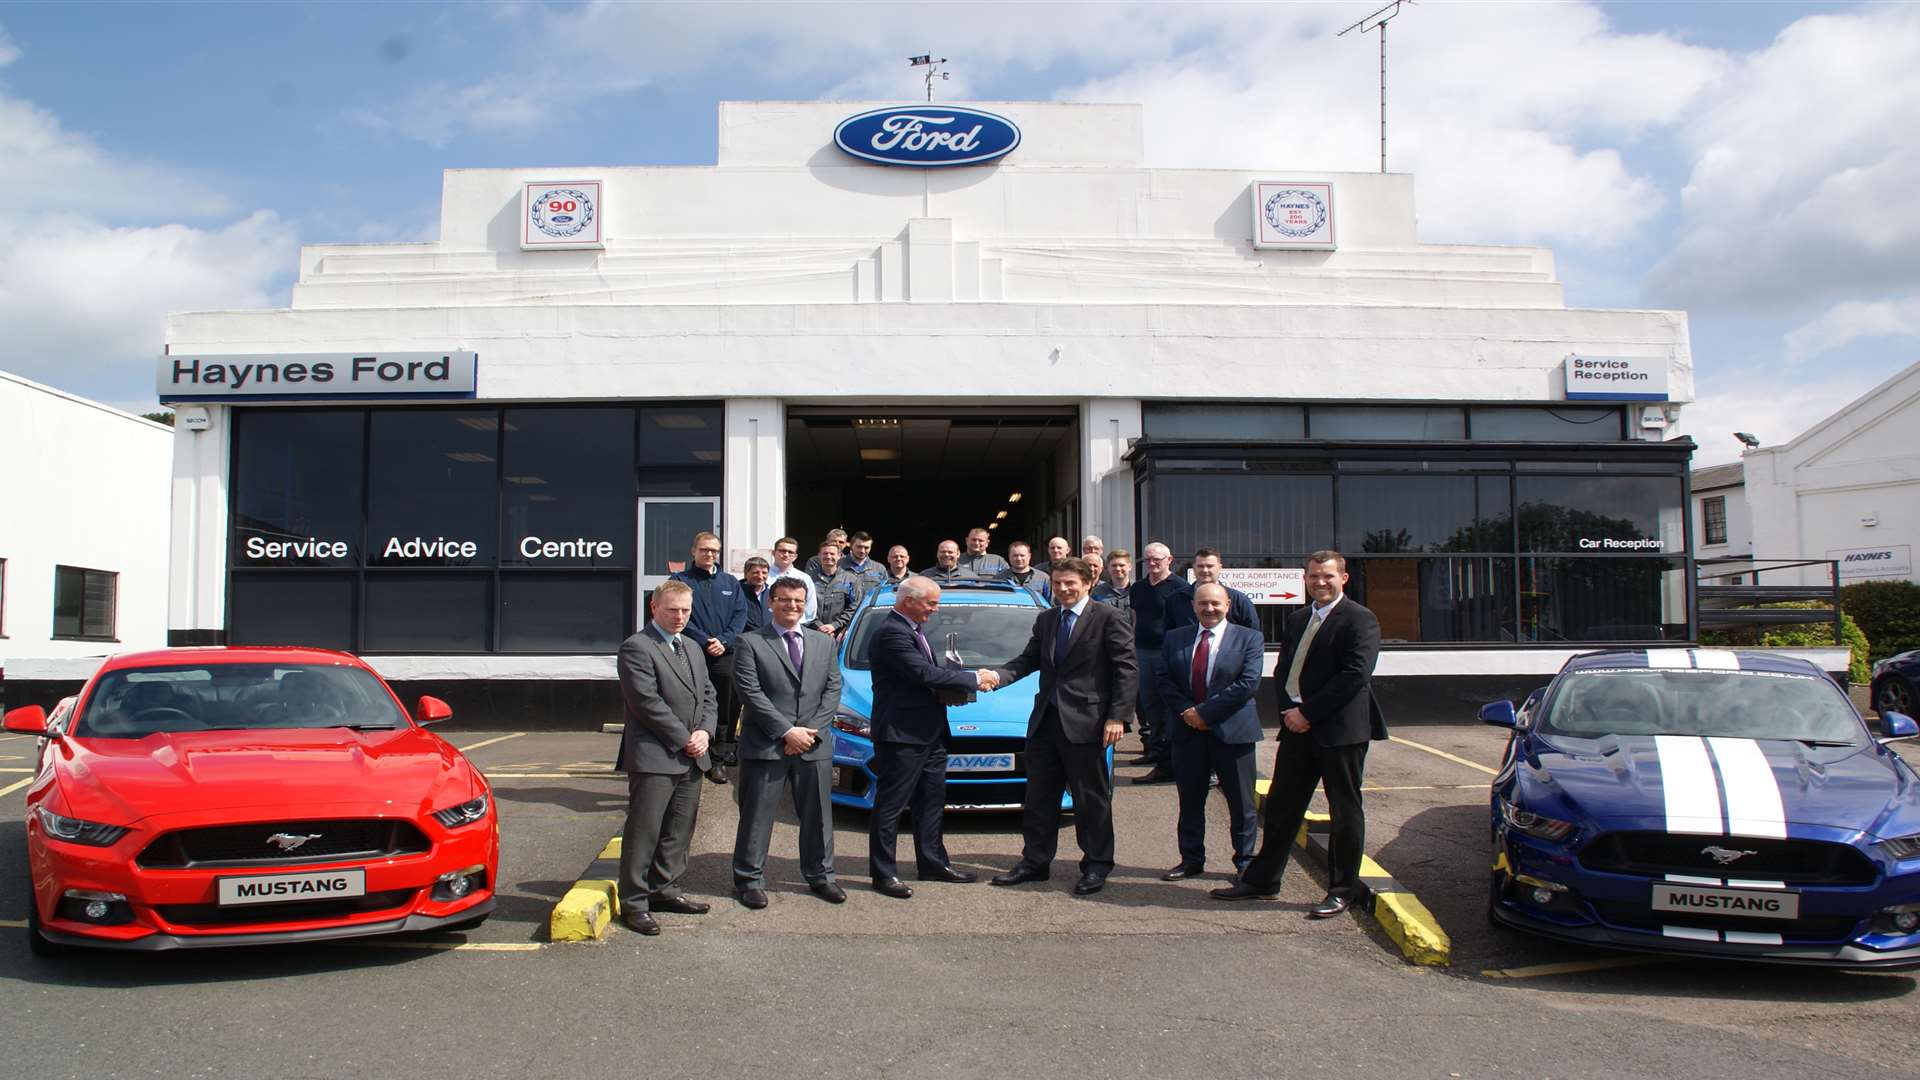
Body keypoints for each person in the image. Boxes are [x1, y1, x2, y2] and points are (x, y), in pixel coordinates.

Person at [1212, 551, 1387, 918]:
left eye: (1327, 576)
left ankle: (1341, 891)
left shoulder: (1360, 619)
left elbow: (1355, 675)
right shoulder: (1297, 619)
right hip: (1297, 728)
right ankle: (1263, 881)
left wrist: (1308, 712)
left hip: (1339, 731)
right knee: (1281, 806)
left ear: (1343, 578)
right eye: (1313, 577)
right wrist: (1290, 714)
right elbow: (1286, 669)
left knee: (1344, 812)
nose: (1319, 583)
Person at [987, 557, 1137, 896]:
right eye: (1057, 583)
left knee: (1090, 800)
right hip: (1046, 724)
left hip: (1089, 724)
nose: (1063, 589)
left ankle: (1096, 865)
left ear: (1087, 583)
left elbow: (1126, 670)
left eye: (1070, 583)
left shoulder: (1109, 618)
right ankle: (1035, 863)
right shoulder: (1047, 620)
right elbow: (1027, 661)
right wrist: (995, 677)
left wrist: (1118, 717)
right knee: (1039, 798)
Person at [865, 575, 992, 898]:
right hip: (902, 736)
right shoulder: (891, 634)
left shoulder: (913, 629)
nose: (935, 610)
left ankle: (933, 863)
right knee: (891, 806)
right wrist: (973, 678)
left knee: (931, 802)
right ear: (908, 601)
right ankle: (883, 873)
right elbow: (922, 673)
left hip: (930, 733)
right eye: (931, 603)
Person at [730, 577, 845, 908]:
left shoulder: (824, 643)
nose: (791, 606)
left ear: (806, 603)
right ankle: (749, 880)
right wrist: (786, 732)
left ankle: (821, 876)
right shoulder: (750, 642)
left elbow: (832, 689)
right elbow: (750, 694)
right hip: (766, 744)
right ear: (771, 602)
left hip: (814, 744)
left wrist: (810, 732)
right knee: (757, 816)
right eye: (784, 600)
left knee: (818, 816)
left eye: (798, 600)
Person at [613, 580, 717, 936]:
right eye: (672, 609)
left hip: (692, 754)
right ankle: (635, 902)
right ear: (653, 608)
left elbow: (708, 695)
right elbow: (646, 703)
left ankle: (664, 888)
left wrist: (705, 732)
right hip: (656, 755)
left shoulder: (692, 646)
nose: (680, 616)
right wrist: (684, 738)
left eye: (686, 610)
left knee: (678, 830)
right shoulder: (636, 648)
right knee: (645, 831)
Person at [1155, 583, 1265, 882]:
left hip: (1234, 732)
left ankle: (1244, 862)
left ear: (1228, 604)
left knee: (1241, 804)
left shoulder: (1249, 638)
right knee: (1189, 801)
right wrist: (1188, 712)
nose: (1209, 608)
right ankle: (1191, 859)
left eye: (1216, 603)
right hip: (1187, 731)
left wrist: (1205, 713)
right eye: (1203, 603)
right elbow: (1163, 679)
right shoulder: (1174, 638)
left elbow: (1248, 683)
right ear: (1193, 606)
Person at [670, 531, 748, 782]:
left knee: (724, 707)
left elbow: (740, 615)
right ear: (694, 551)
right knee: (689, 703)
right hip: (691, 651)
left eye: (714, 550)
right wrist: (705, 641)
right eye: (704, 549)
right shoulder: (680, 581)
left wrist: (723, 641)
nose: (709, 554)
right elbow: (681, 617)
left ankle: (717, 760)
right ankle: (689, 753)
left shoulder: (730, 582)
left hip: (724, 654)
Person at [1128, 541, 1195, 784]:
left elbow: (1186, 626)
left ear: (1170, 560)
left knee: (1169, 707)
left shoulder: (1180, 588)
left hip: (1167, 654)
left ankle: (1170, 762)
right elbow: (1135, 618)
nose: (1152, 563)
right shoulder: (1138, 588)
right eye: (1148, 559)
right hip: (1142, 651)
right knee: (1148, 706)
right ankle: (1155, 752)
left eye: (1157, 559)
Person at [1189, 548, 1259, 631]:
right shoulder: (1176, 599)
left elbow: (1252, 634)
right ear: (1194, 568)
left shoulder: (1239, 600)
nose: (1205, 570)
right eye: (1200, 566)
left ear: (1220, 568)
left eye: (1210, 566)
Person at [808, 540, 865, 637]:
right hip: (812, 632)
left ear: (839, 556)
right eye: (825, 553)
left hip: (839, 634)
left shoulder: (851, 580)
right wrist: (818, 626)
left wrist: (835, 625)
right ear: (819, 555)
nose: (828, 556)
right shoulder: (808, 578)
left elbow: (855, 606)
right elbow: (804, 604)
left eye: (832, 554)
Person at [770, 536, 819, 624]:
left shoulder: (804, 578)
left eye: (790, 552)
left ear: (795, 556)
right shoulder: (763, 576)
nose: (786, 554)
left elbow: (810, 609)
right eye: (782, 551)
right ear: (773, 553)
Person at [741, 556, 773, 632]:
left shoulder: (772, 594)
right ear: (746, 573)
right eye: (756, 572)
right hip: (744, 639)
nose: (760, 576)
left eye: (764, 573)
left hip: (768, 639)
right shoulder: (737, 593)